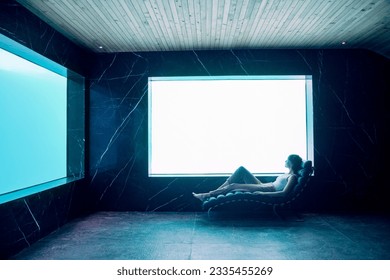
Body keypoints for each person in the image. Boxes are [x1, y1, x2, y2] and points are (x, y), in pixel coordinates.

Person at [192, 154, 303, 202]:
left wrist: (263, 194)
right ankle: (211, 193)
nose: (284, 161)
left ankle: (207, 195)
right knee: (241, 170)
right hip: (265, 185)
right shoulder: (286, 173)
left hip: (268, 189)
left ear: (291, 163)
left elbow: (283, 193)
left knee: (233, 187)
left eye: (286, 160)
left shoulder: (292, 177)